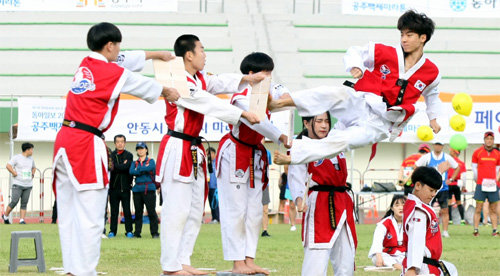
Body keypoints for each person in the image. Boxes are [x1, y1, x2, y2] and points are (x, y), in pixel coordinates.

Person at [52, 22, 180, 276]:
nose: (119, 50)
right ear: (109, 45)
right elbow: (137, 82)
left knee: (68, 212)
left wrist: (156, 55)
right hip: (85, 143)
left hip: (64, 140)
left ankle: (71, 269)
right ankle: (84, 271)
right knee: (91, 213)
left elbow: (125, 60)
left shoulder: (87, 64)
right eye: (118, 44)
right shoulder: (109, 72)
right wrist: (168, 91)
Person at [272, 10, 441, 166]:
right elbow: (355, 51)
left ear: (422, 38)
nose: (403, 39)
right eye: (402, 34)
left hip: (381, 124)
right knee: (332, 93)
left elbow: (431, 95)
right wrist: (356, 66)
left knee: (342, 141)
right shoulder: (386, 52)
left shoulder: (431, 72)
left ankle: (293, 157)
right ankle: (280, 103)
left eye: (409, 35)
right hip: (362, 102)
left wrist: (433, 118)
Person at [155, 34, 262, 276]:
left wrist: (248, 78)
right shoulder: (176, 79)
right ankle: (170, 266)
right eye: (202, 50)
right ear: (189, 54)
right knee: (176, 210)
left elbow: (220, 83)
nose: (205, 55)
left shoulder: (200, 77)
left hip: (193, 149)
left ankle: (183, 261)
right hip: (177, 145)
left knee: (194, 210)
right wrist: (242, 115)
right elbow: (204, 101)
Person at [215, 52, 289, 275]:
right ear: (250, 74)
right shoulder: (241, 96)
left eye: (269, 74)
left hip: (255, 156)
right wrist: (280, 136)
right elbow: (256, 122)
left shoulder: (267, 91)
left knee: (255, 212)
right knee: (235, 211)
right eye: (263, 73)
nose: (268, 78)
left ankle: (249, 258)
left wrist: (281, 95)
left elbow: (282, 91)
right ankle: (237, 262)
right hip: (234, 153)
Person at [288, 112, 357, 276]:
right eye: (319, 121)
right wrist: (299, 200)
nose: (324, 125)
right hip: (319, 203)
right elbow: (295, 177)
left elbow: (348, 117)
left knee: (345, 258)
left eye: (326, 121)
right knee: (317, 256)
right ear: (306, 123)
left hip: (343, 202)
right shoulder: (301, 147)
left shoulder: (335, 140)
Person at [403, 166, 457, 276]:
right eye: (431, 190)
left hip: (429, 264)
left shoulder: (418, 206)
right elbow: (415, 239)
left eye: (435, 191)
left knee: (451, 269)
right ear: (418, 185)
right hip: (422, 268)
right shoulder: (418, 210)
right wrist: (412, 268)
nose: (433, 194)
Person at [414, 140, 459, 238]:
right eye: (436, 145)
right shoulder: (427, 157)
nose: (438, 147)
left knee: (445, 210)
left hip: (443, 188)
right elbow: (416, 166)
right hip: (429, 188)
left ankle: (445, 231)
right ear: (433, 145)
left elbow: (457, 167)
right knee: (426, 209)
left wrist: (451, 179)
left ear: (442, 146)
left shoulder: (447, 157)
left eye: (440, 145)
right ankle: (425, 230)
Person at [472, 131, 500, 236]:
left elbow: (498, 169)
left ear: (493, 141)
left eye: (491, 139)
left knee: (493, 209)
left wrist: (496, 180)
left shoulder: (498, 154)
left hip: (493, 185)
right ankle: (475, 230)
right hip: (481, 184)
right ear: (484, 140)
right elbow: (474, 169)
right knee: (478, 207)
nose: (489, 141)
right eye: (487, 139)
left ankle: (494, 230)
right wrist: (477, 180)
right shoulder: (477, 152)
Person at [129, 142, 159, 238]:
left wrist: (138, 170)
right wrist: (143, 169)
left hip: (149, 189)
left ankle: (154, 233)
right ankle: (137, 233)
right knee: (138, 212)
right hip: (137, 190)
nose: (140, 150)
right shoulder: (134, 162)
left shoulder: (151, 161)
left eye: (142, 148)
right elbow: (131, 171)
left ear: (146, 149)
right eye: (138, 148)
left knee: (151, 212)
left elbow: (151, 167)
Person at [368, 195, 406, 270]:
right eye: (397, 205)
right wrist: (378, 256)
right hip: (389, 255)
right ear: (392, 208)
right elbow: (377, 241)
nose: (401, 208)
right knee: (376, 257)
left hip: (405, 254)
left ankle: (402, 266)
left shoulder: (411, 222)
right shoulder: (384, 223)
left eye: (403, 205)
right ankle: (398, 267)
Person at [107, 134, 134, 238]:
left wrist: (120, 166)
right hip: (113, 188)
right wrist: (122, 166)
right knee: (114, 212)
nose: (120, 144)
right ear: (115, 143)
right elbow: (113, 168)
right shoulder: (111, 155)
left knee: (127, 211)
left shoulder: (129, 155)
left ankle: (129, 231)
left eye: (122, 141)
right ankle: (112, 231)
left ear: (125, 143)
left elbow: (127, 168)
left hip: (126, 188)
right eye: (118, 142)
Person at [3, 142, 36, 224]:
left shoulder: (31, 159)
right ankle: (5, 216)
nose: (32, 151)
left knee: (24, 203)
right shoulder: (17, 158)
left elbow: (34, 168)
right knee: (14, 201)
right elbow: (8, 165)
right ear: (27, 150)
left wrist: (32, 174)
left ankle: (21, 220)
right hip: (18, 183)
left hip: (28, 184)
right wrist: (14, 173)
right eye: (31, 149)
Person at [447, 148, 467, 225]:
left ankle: (450, 220)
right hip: (457, 184)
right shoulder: (461, 163)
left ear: (454, 152)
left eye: (451, 151)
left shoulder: (448, 162)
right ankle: (462, 220)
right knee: (459, 202)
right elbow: (464, 176)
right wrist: (463, 186)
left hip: (449, 184)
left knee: (449, 203)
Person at [207, 147, 219, 224]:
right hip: (209, 187)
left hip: (216, 187)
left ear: (214, 154)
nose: (208, 155)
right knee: (211, 203)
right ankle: (213, 218)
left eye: (209, 154)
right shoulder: (208, 164)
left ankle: (217, 218)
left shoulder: (217, 163)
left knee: (216, 204)